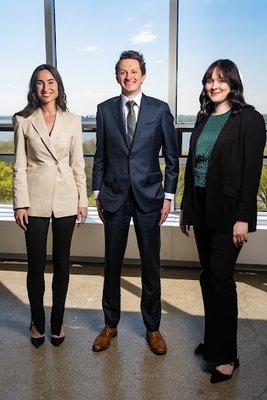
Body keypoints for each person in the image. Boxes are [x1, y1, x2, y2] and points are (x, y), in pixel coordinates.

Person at [180, 59, 266, 383]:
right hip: (202, 210)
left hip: (230, 215)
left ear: (232, 82)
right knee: (207, 277)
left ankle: (228, 355)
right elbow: (193, 169)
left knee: (220, 279)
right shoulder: (203, 119)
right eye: (209, 80)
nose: (214, 85)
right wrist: (188, 210)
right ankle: (215, 341)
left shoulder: (250, 119)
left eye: (220, 80)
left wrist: (244, 217)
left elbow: (251, 173)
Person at [92, 50, 179, 355]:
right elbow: (100, 156)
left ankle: (153, 328)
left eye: (133, 72)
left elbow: (171, 157)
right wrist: (97, 193)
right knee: (111, 264)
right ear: (117, 76)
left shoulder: (159, 110)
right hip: (114, 197)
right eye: (122, 72)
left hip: (149, 198)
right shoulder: (104, 111)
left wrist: (168, 196)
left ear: (143, 75)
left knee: (150, 264)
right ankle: (110, 324)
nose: (128, 77)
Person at [13, 64, 88, 348]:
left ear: (59, 86)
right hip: (35, 200)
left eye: (51, 82)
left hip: (67, 199)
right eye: (40, 83)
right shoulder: (23, 120)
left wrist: (82, 200)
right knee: (35, 265)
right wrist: (20, 204)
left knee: (62, 264)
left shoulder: (73, 120)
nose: (46, 88)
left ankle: (57, 322)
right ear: (34, 88)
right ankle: (37, 321)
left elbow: (77, 164)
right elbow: (19, 166)